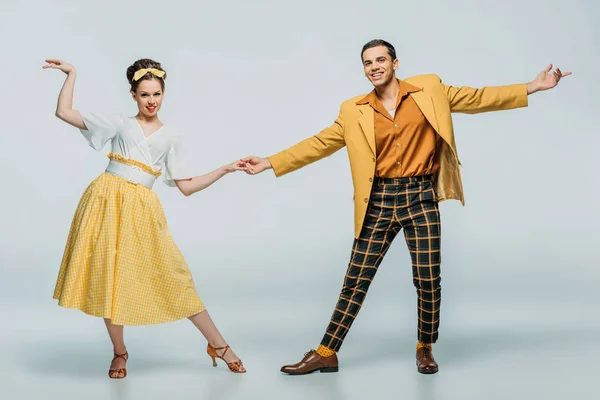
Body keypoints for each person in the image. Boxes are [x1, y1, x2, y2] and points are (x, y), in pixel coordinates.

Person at [242, 39, 571, 375]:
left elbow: (478, 98)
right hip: (379, 202)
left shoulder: (429, 89)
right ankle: (326, 352)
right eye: (368, 63)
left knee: (428, 278)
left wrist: (534, 86)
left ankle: (424, 347)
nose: (375, 67)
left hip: (420, 197)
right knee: (356, 279)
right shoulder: (353, 109)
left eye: (380, 60)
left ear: (395, 63)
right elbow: (319, 143)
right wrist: (270, 162)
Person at [46, 58, 248, 378]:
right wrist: (72, 74)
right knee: (111, 281)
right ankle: (120, 353)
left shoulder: (171, 137)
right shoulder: (119, 124)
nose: (151, 101)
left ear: (163, 93)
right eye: (144, 94)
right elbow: (64, 113)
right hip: (105, 201)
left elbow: (187, 186)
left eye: (156, 94)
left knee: (176, 276)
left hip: (141, 209)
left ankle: (219, 346)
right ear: (133, 95)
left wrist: (225, 169)